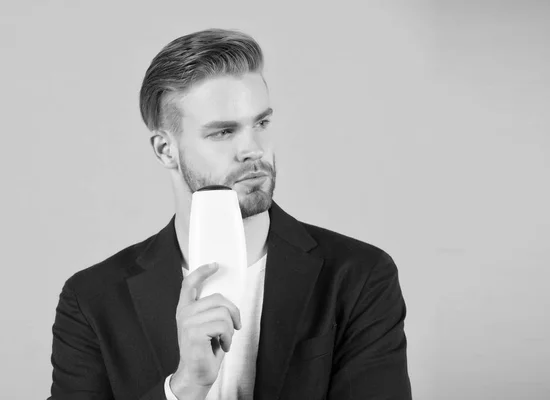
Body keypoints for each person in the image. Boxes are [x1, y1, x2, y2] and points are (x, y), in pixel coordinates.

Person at [49, 28, 412, 400]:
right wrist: (185, 388)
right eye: (223, 132)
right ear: (165, 150)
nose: (252, 149)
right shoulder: (93, 299)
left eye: (261, 123)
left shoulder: (358, 276)